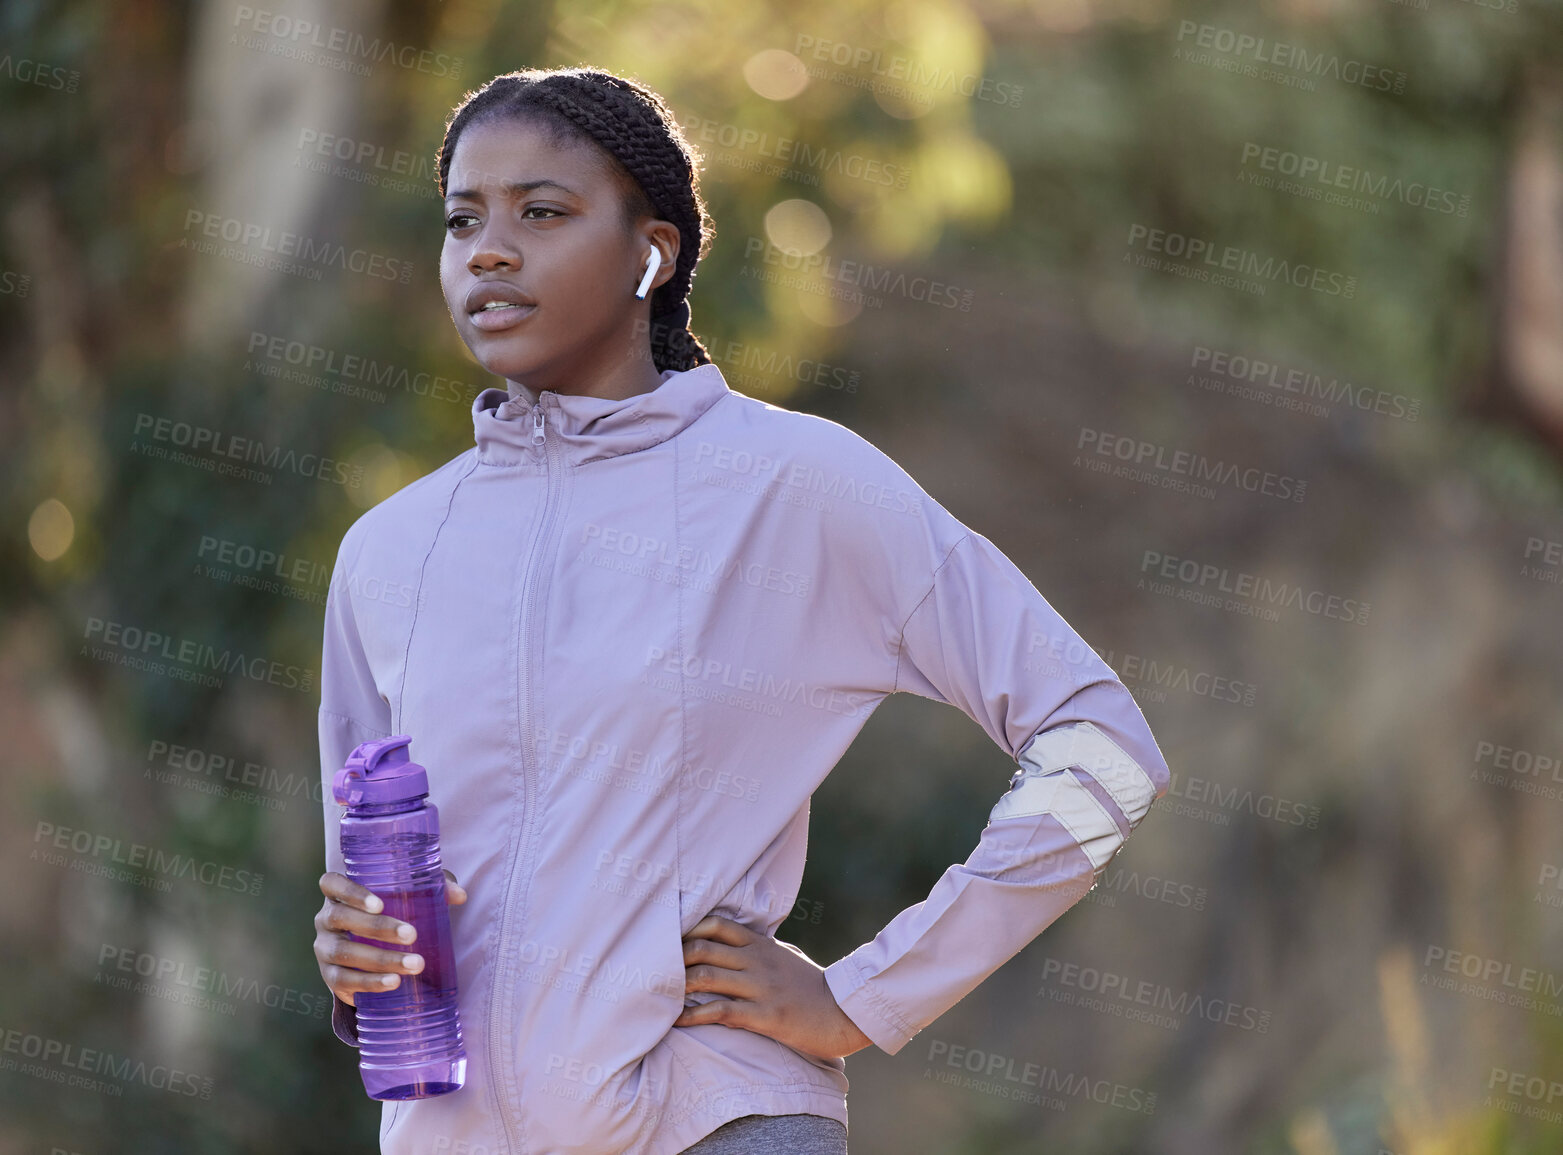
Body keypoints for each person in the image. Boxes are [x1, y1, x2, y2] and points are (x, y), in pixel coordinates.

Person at [311, 65, 1170, 1155]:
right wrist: (356, 964)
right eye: (462, 219)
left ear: (652, 253)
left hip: (715, 1123)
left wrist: (865, 996)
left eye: (542, 212)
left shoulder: (797, 487)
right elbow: (370, 877)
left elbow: (1104, 746)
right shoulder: (389, 551)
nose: (488, 249)